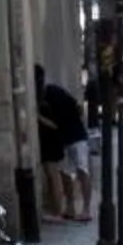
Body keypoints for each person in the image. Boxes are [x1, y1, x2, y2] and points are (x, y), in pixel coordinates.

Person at [40, 68, 91, 221]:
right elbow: (78, 107)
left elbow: (56, 125)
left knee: (81, 171)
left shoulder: (53, 94)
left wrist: (38, 117)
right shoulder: (54, 92)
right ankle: (71, 208)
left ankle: (85, 209)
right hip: (67, 138)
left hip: (75, 137)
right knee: (67, 173)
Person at [32, 65, 67, 219]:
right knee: (52, 175)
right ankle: (56, 208)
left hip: (51, 142)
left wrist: (39, 118)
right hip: (48, 142)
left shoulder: (47, 97)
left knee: (54, 175)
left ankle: (58, 210)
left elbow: (55, 124)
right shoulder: (41, 96)